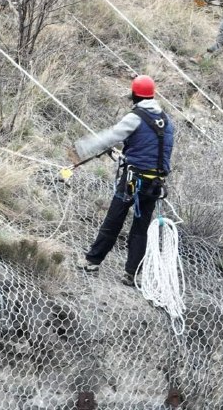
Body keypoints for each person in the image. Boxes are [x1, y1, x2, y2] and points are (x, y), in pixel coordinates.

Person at [73, 75, 175, 286]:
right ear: (152, 94)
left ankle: (92, 261)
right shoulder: (166, 120)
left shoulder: (136, 117)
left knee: (114, 219)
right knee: (141, 228)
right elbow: (152, 149)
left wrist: (83, 147)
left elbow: (111, 136)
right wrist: (125, 156)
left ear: (134, 95)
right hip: (155, 184)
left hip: (133, 179)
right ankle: (131, 273)